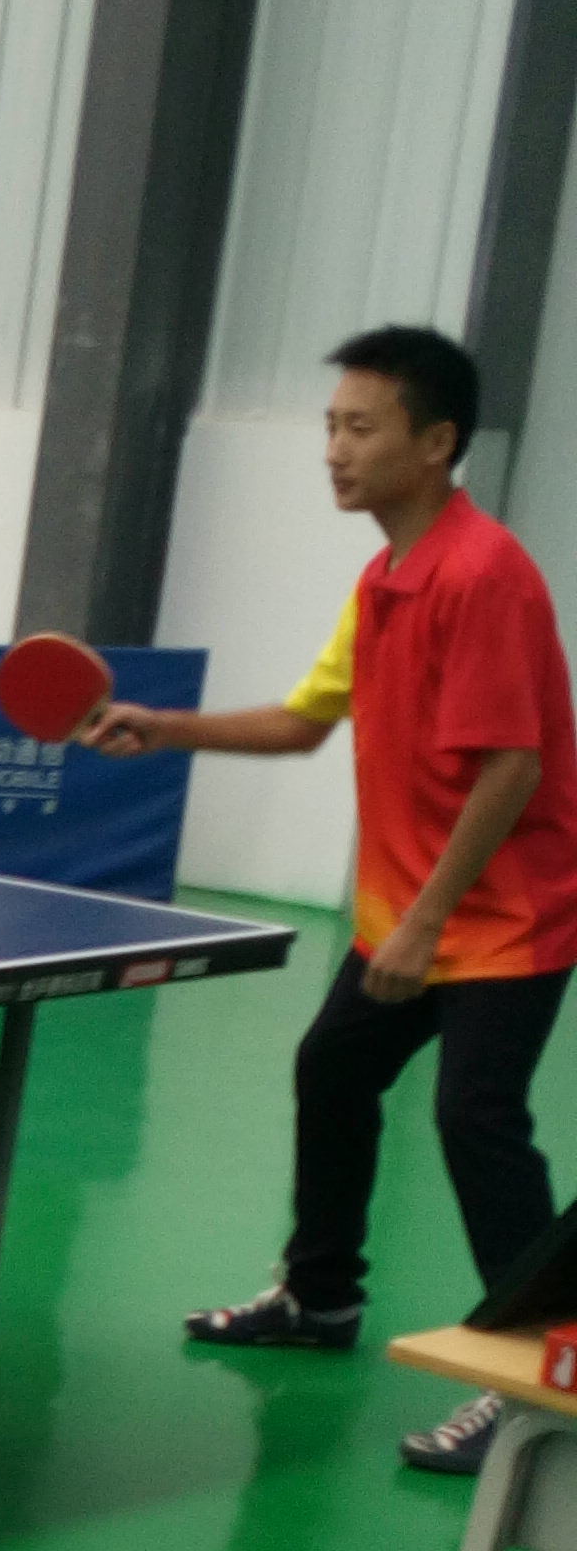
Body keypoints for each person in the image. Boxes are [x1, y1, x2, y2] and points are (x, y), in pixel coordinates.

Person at [95, 324, 577, 1478]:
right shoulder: (384, 579)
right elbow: (305, 722)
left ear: (437, 441)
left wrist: (423, 922)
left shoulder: (482, 574)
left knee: (477, 1117)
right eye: (330, 426)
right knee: (335, 1068)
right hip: (413, 914)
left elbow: (512, 767)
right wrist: (165, 728)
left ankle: (537, 1373)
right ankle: (319, 1298)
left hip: (506, 915)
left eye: (361, 427)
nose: (335, 449)